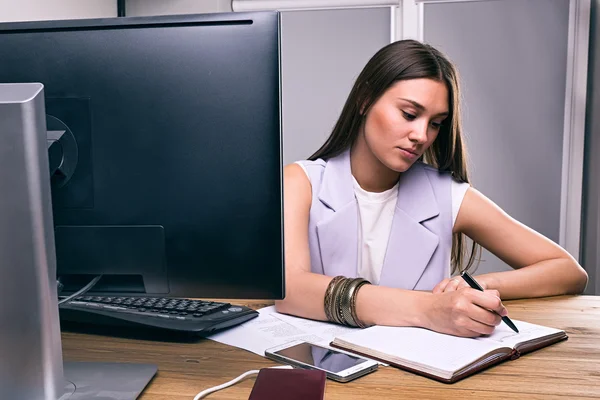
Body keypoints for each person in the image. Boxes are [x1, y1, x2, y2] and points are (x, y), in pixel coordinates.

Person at [275, 39, 588, 338]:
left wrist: (472, 286)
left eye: (436, 123)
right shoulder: (301, 182)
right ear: (365, 100)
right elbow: (290, 290)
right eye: (409, 114)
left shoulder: (447, 195)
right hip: (322, 370)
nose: (421, 135)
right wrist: (429, 309)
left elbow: (568, 272)